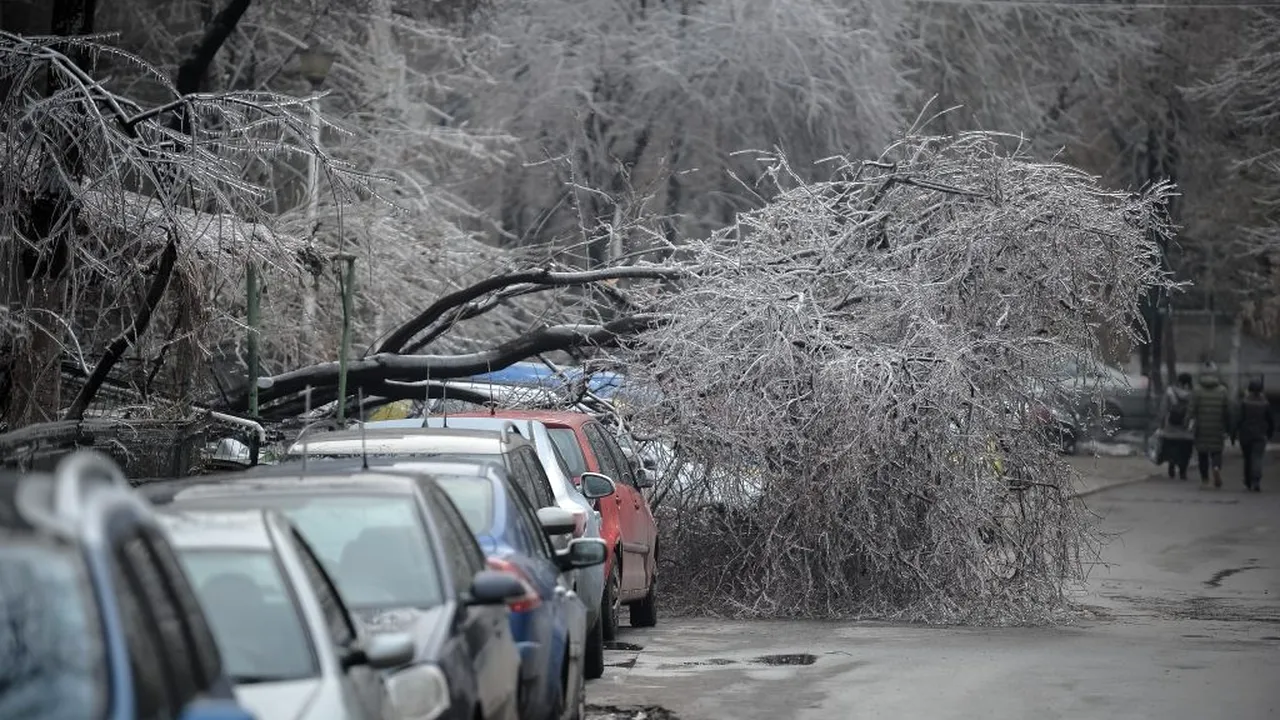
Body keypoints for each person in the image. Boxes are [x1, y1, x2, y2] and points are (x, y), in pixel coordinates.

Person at [1189, 366, 1231, 489]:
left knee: (1202, 454)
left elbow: (1191, 409)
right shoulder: (1223, 391)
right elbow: (1228, 411)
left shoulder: (1197, 390)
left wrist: (1187, 421)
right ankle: (1216, 467)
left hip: (1201, 427)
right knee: (1216, 451)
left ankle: (1205, 479)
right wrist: (1229, 428)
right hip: (1217, 427)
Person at [1234, 379, 1273, 492]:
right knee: (1257, 457)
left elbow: (1239, 419)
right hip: (1260, 434)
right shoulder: (1265, 403)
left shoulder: (1244, 402)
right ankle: (1256, 480)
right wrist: (1270, 432)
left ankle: (1247, 481)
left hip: (1245, 434)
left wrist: (1234, 432)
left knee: (1247, 458)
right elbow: (1270, 420)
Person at [1160, 373, 1195, 480]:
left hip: (1171, 427)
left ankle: (1171, 465)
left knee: (1172, 448)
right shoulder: (1193, 394)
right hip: (1186, 428)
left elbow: (1164, 408)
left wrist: (1161, 422)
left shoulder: (1170, 392)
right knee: (1185, 451)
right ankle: (1183, 471)